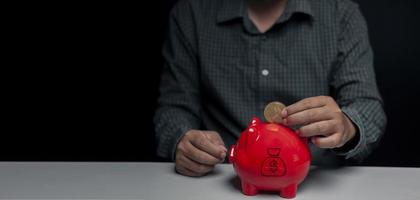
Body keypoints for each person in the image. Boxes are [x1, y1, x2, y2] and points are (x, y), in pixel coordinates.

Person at [154, 0, 387, 177]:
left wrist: (347, 127)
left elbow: (367, 106)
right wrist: (182, 139)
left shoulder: (340, 12)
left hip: (314, 177)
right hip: (222, 175)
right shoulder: (191, 13)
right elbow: (174, 107)